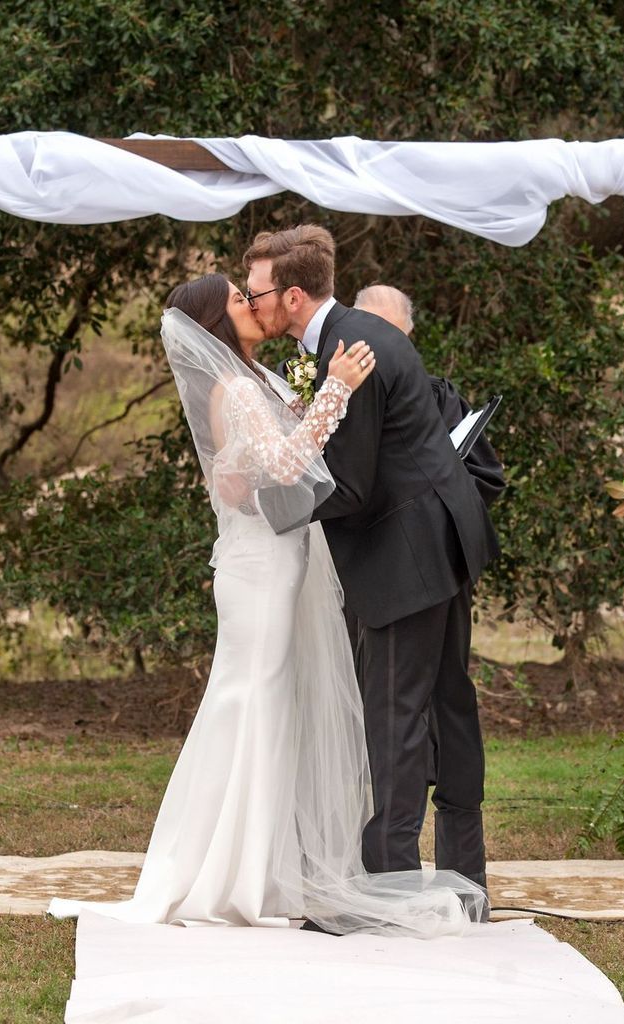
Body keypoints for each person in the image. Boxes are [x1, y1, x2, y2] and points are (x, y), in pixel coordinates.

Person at [49, 274, 486, 936]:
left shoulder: (259, 381)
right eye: (236, 299)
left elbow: (262, 466)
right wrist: (336, 388)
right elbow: (285, 465)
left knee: (276, 710)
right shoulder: (234, 388)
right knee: (249, 705)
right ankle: (226, 874)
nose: (249, 305)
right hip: (256, 571)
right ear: (213, 322)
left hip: (284, 563)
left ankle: (267, 868)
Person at [245, 227, 500, 902]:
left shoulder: (348, 351)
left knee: (394, 713)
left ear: (291, 297)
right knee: (448, 703)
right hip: (439, 540)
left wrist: (271, 504)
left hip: (404, 554)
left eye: (256, 293)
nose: (251, 302)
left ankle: (388, 886)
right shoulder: (351, 336)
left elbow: (349, 488)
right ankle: (463, 880)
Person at [353, 283, 505, 828]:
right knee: (377, 709)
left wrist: (438, 491)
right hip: (368, 575)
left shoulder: (439, 396)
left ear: (409, 337)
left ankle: (464, 871)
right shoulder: (336, 396)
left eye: (393, 333)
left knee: (450, 703)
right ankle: (371, 856)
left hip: (442, 565)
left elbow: (486, 475)